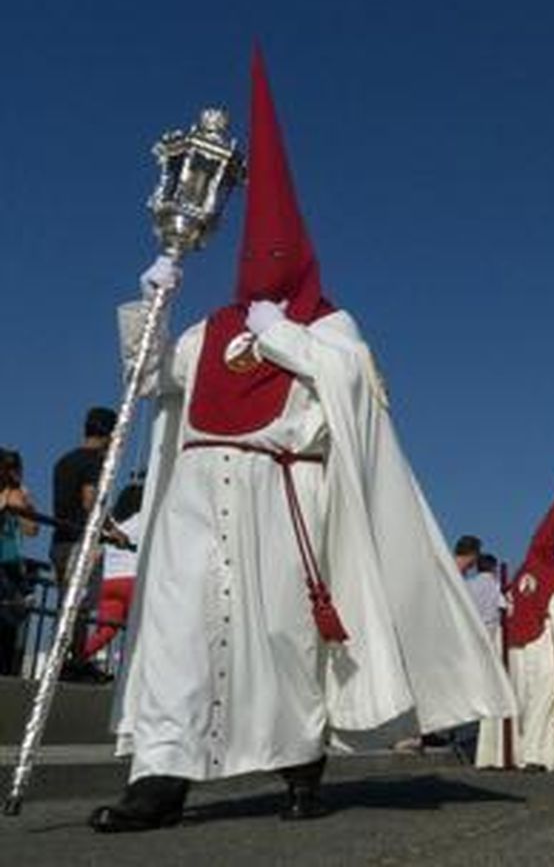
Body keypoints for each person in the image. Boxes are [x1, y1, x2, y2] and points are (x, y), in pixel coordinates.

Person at [91, 50, 513, 832]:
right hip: (192, 496)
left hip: (281, 497)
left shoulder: (327, 324)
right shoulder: (212, 327)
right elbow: (151, 382)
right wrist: (151, 297)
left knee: (282, 637)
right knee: (179, 634)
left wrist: (284, 336)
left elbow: (354, 388)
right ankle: (160, 777)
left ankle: (298, 764)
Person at [477, 469, 554, 772]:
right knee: (542, 701)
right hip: (542, 648)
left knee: (528, 703)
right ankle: (535, 754)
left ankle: (520, 753)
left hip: (518, 650)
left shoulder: (517, 578)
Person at [51, 405, 115, 680]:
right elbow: (90, 501)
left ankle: (64, 660)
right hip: (80, 541)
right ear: (109, 434)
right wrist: (111, 530)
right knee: (79, 607)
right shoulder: (94, 461)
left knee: (67, 603)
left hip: (60, 541)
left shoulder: (64, 461)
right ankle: (75, 663)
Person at [82, 478, 145, 663]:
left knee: (106, 631)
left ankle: (77, 658)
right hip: (132, 582)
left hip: (109, 583)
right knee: (145, 627)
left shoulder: (115, 524)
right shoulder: (142, 519)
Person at [1, 448, 40, 676]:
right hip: (6, 564)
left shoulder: (19, 494)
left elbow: (32, 529)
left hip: (10, 562)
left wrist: (25, 505)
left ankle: (6, 672)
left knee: (9, 624)